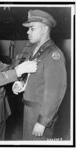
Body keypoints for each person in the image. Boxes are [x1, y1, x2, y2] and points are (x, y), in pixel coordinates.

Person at [12, 9, 67, 140]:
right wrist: (21, 83)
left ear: (45, 29)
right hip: (29, 109)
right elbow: (31, 74)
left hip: (40, 112)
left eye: (32, 28)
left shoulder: (54, 54)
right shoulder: (35, 49)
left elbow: (55, 91)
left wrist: (43, 121)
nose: (27, 32)